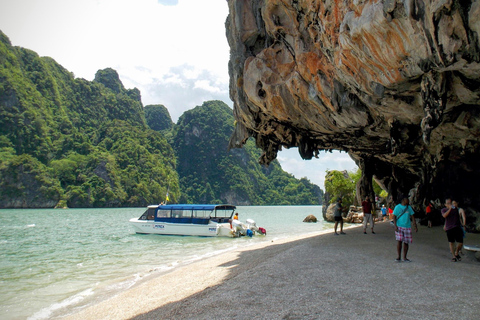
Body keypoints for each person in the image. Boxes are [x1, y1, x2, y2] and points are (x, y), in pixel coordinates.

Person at [393, 198, 417, 262]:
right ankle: (399, 257)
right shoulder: (397, 207)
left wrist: (415, 226)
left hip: (407, 226)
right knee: (399, 241)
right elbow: (394, 216)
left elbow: (412, 216)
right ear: (403, 199)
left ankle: (405, 257)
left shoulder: (409, 208)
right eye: (407, 199)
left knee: (406, 242)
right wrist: (395, 226)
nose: (408, 201)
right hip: (399, 226)